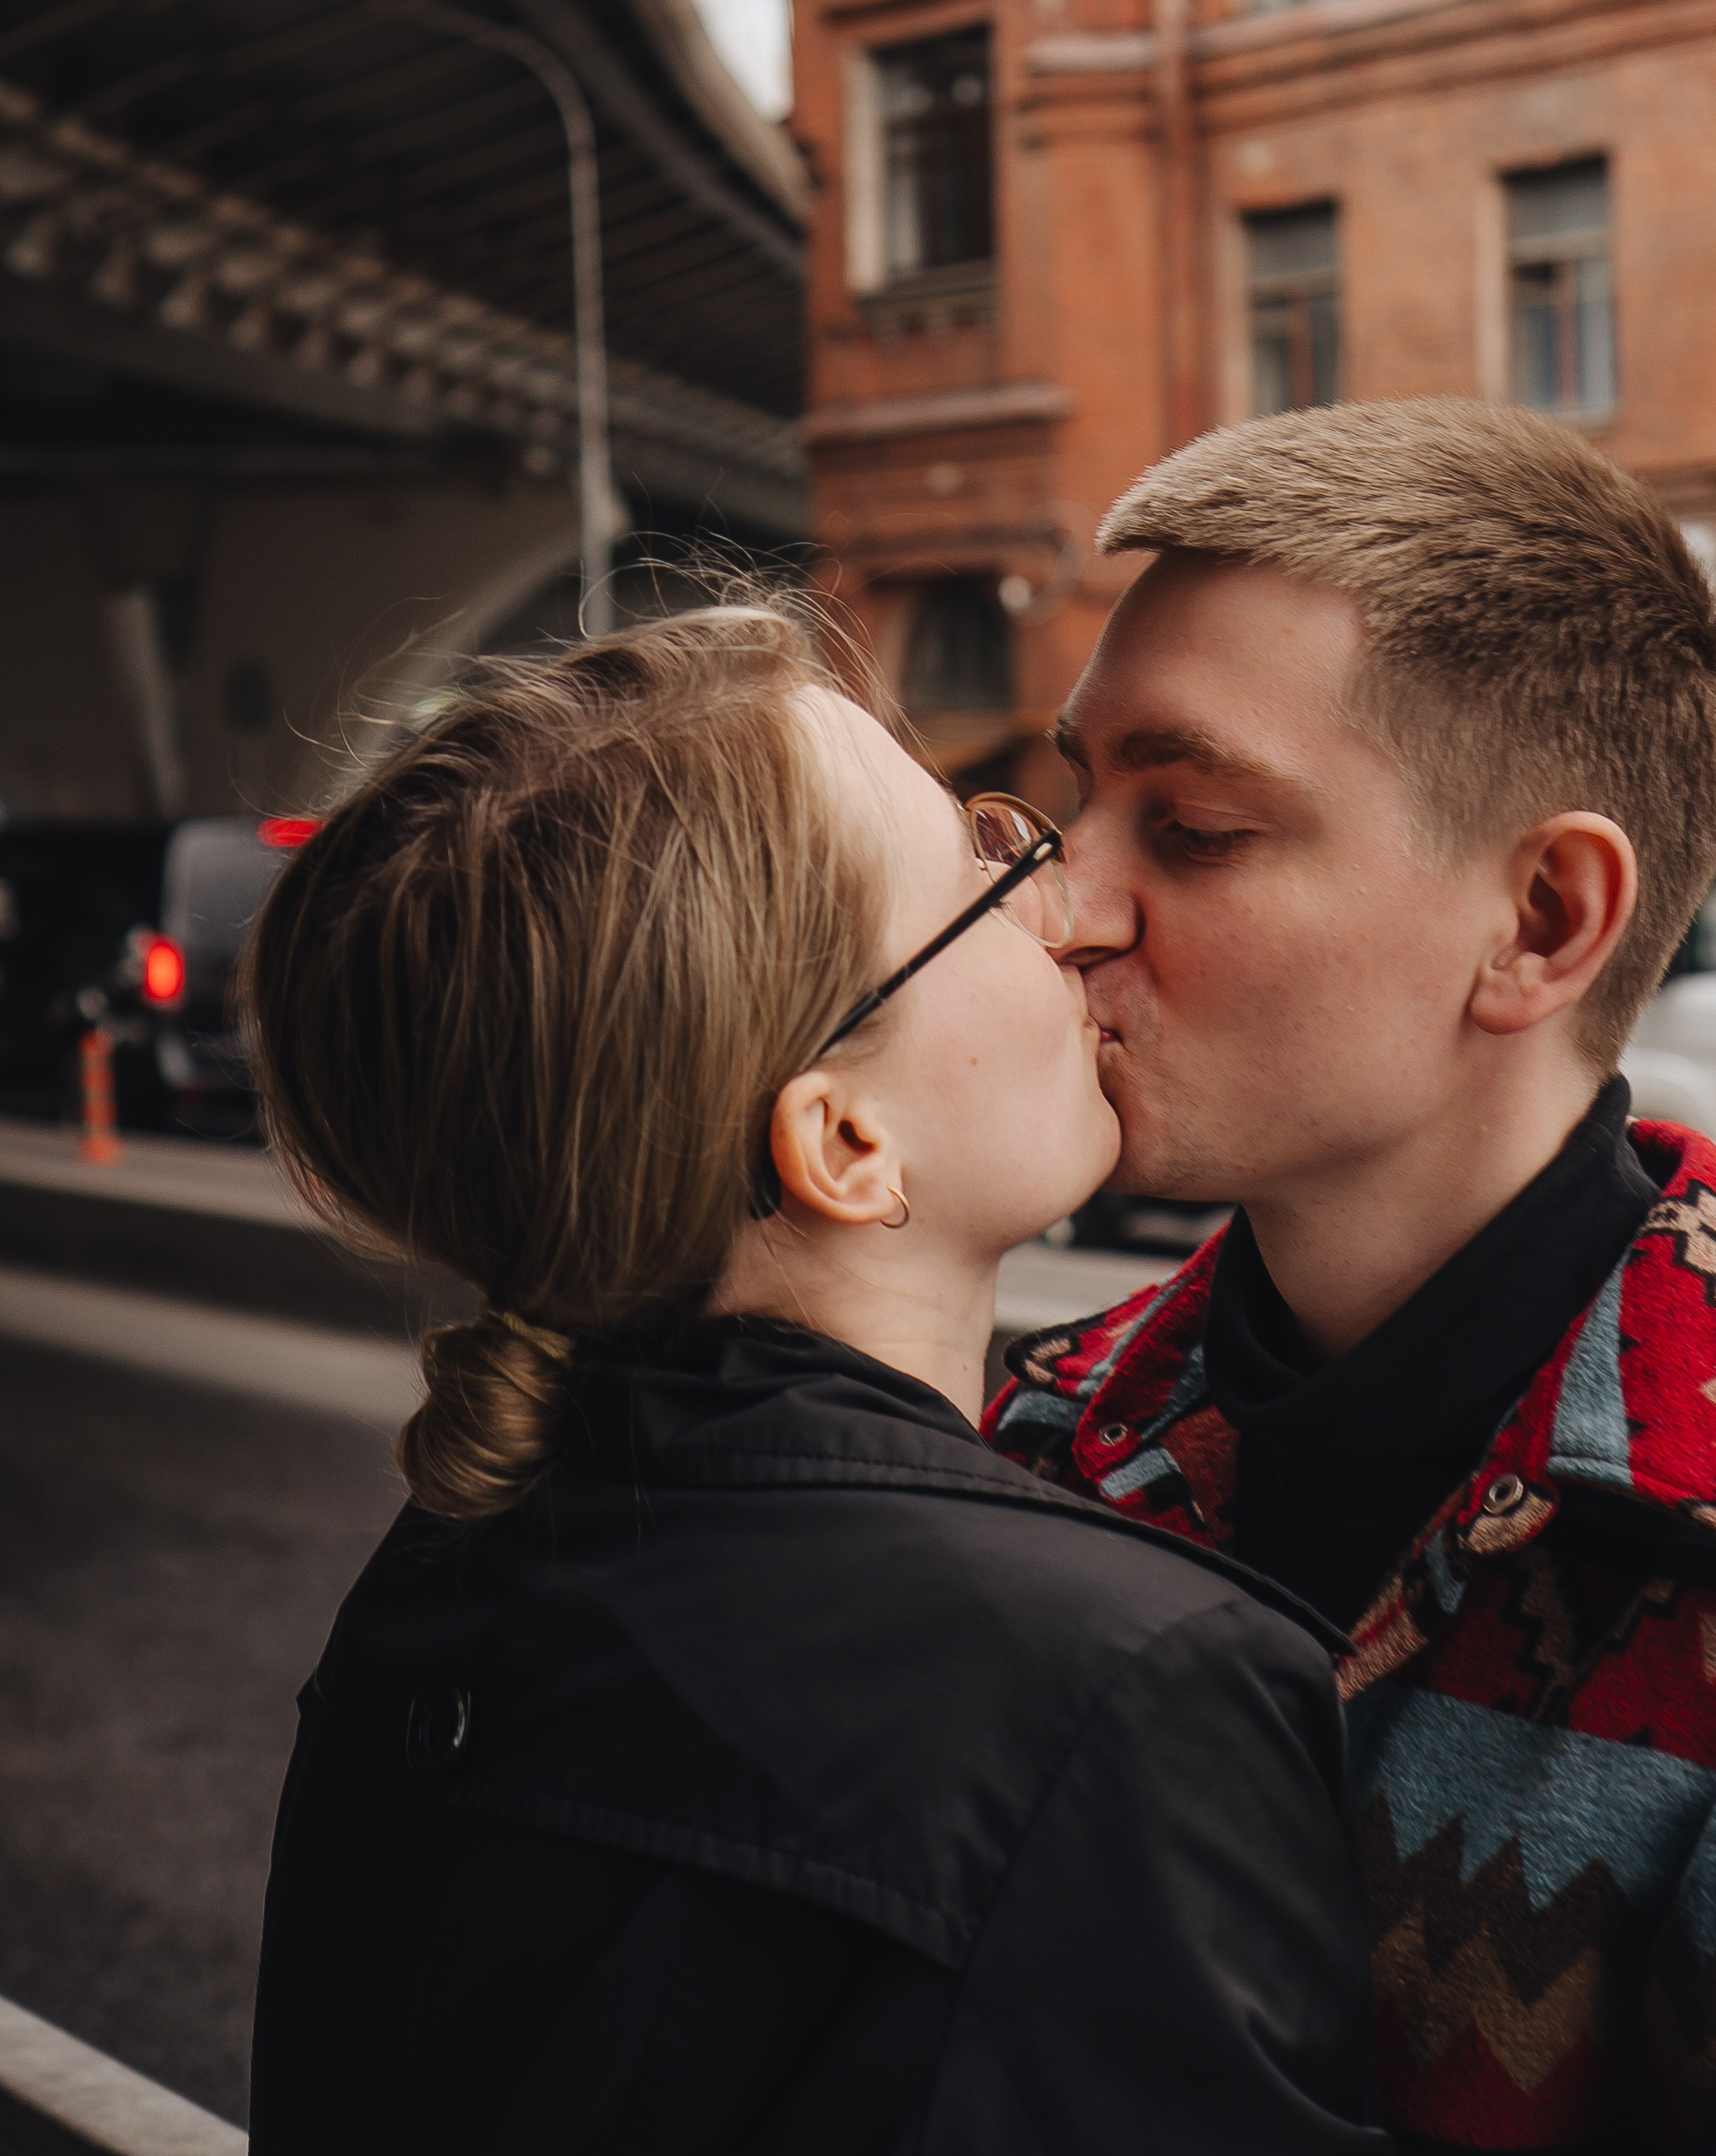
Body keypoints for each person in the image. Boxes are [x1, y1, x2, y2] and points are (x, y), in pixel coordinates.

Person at [244, 604, 1387, 2156]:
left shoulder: (449, 1566)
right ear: (844, 1144)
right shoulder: (1128, 1691)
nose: (1065, 904)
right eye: (982, 874)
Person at [986, 397, 1716, 2152]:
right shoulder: (1014, 1439)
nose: (1058, 909)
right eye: (1081, 802)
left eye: (1195, 828)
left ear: (1538, 921)